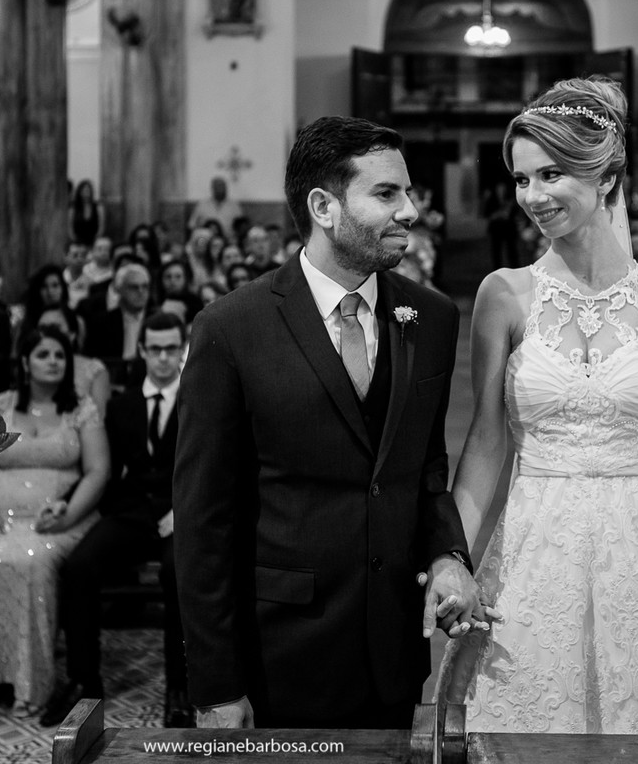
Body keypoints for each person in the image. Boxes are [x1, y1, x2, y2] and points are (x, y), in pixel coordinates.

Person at [436, 76, 638, 734]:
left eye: (551, 174)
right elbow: (484, 446)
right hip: (534, 542)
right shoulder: (504, 294)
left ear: (606, 177)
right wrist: (457, 563)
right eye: (522, 179)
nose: (532, 196)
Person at [174, 115, 481, 730]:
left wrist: (448, 553)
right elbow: (203, 522)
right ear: (324, 206)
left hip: (391, 649)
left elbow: (424, 470)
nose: (412, 211)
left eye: (408, 192)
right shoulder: (232, 328)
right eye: (387, 194)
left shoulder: (434, 317)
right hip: (281, 652)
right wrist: (215, 687)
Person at [43, 313, 191, 727]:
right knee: (79, 566)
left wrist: (183, 512)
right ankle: (84, 681)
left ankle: (180, 688)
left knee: (178, 571)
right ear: (142, 351)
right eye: (155, 349)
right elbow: (103, 467)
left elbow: (209, 466)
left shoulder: (197, 397)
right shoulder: (124, 404)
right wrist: (68, 501)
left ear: (182, 350)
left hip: (179, 514)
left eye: (171, 349)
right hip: (131, 512)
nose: (163, 358)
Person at [0, 328, 109, 717]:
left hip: (60, 521)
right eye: (43, 354)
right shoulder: (1, 405)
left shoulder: (82, 408)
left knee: (32, 563)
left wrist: (70, 513)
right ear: (25, 362)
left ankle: (28, 684)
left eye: (60, 355)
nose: (54, 361)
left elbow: (97, 471)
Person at [29, 305, 111, 416]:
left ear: (72, 335)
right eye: (42, 328)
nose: (48, 335)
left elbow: (100, 417)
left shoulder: (95, 369)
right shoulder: (31, 365)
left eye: (55, 328)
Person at [70, 179, 102, 246]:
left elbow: (101, 228)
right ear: (79, 192)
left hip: (93, 241)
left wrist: (96, 240)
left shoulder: (98, 207)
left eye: (87, 190)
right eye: (83, 190)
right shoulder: (73, 208)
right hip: (77, 241)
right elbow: (70, 228)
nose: (86, 193)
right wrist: (75, 241)